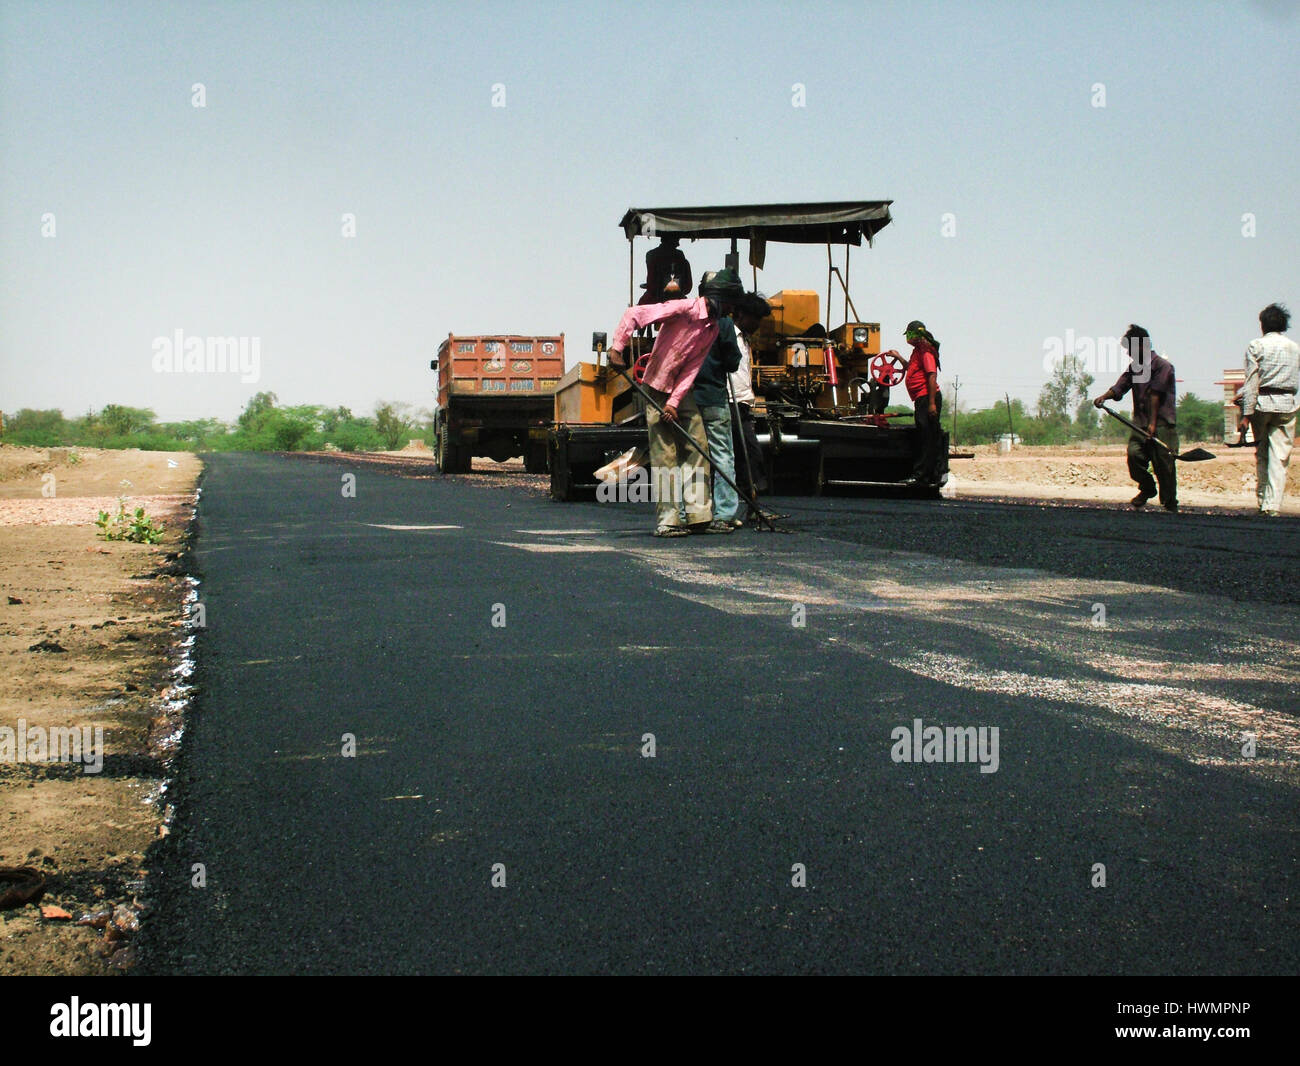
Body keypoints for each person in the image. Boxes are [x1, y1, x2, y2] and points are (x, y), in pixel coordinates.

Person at [608, 268, 745, 536]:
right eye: (730, 303)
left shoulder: (712, 329)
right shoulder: (683, 309)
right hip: (656, 385)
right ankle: (669, 521)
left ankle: (698, 515)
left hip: (681, 392)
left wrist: (675, 402)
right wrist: (617, 348)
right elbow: (634, 315)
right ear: (719, 298)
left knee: (697, 447)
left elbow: (692, 368)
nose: (731, 310)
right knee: (665, 453)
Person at [1092, 324, 1179, 512]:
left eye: (1130, 349)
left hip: (1162, 425)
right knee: (1134, 456)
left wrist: (1153, 424)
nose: (1129, 354)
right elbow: (1120, 386)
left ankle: (1170, 505)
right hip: (1140, 424)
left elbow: (1155, 395)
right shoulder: (1135, 368)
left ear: (1141, 346)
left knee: (1164, 466)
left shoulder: (1163, 367)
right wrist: (1104, 397)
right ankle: (1147, 488)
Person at [690, 280, 745, 533]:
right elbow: (733, 362)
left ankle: (693, 513)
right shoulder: (724, 323)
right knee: (722, 455)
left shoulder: (687, 317)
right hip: (714, 395)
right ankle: (723, 514)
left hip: (687, 398)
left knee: (691, 456)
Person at [1240, 302, 1299, 516]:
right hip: (1288, 404)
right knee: (1280, 457)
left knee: (1263, 452)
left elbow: (1251, 382)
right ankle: (1272, 506)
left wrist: (1246, 415)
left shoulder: (1256, 346)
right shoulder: (1294, 348)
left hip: (1263, 403)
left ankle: (1263, 500)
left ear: (1262, 325)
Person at [729, 293, 772, 525]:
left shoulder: (745, 340)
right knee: (744, 455)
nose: (757, 325)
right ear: (742, 314)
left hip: (743, 403)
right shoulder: (730, 338)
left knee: (749, 455)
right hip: (730, 402)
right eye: (755, 319)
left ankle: (753, 506)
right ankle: (741, 508)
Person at [885, 320, 943, 487]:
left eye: (908, 335)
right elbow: (911, 368)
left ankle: (922, 476)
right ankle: (928, 475)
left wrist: (931, 403)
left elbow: (932, 376)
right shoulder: (918, 351)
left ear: (914, 335)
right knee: (926, 435)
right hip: (922, 398)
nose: (907, 338)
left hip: (927, 398)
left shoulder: (925, 351)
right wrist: (898, 357)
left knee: (927, 438)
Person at [638, 236, 693, 305]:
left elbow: (651, 285)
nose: (678, 244)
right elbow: (687, 288)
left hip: (655, 299)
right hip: (678, 299)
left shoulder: (651, 254)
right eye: (677, 240)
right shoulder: (680, 256)